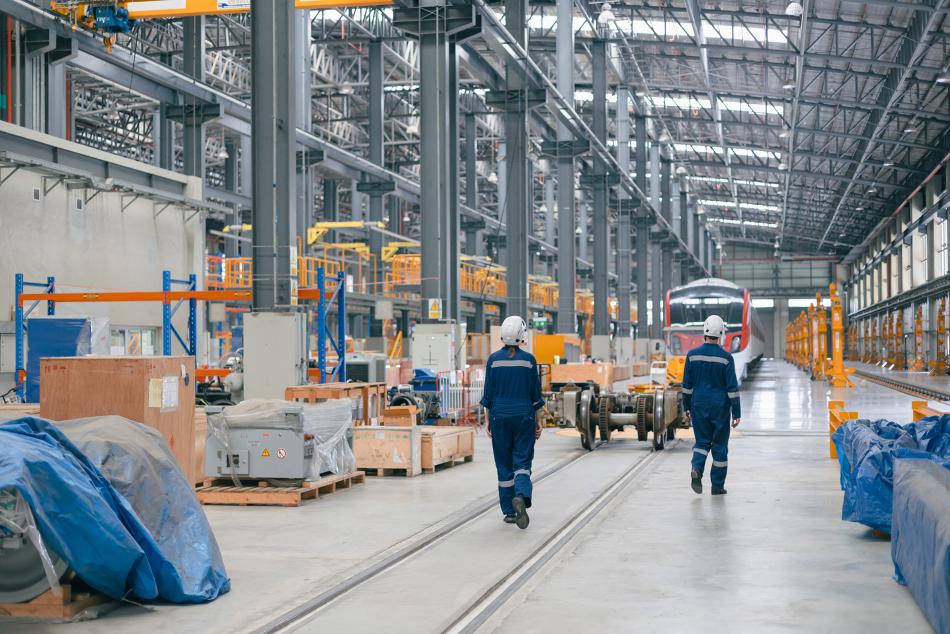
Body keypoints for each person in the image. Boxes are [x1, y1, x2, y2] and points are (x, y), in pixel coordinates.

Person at [480, 315, 544, 529]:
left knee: (504, 463)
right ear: (522, 335)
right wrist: (539, 421)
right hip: (524, 416)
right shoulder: (529, 361)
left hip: (499, 416)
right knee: (522, 462)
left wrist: (488, 420)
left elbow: (488, 394)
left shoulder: (493, 360)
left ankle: (509, 511)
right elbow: (535, 395)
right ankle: (521, 495)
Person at [681, 314, 742, 496]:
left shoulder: (692, 356)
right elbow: (732, 388)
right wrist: (736, 412)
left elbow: (686, 387)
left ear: (704, 332)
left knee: (702, 442)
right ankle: (717, 486)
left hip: (698, 405)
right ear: (721, 333)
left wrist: (686, 407)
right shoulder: (726, 358)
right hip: (720, 408)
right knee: (720, 446)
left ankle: (697, 468)